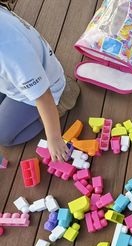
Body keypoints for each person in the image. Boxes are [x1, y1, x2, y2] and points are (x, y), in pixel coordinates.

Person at [0, 1, 80, 162]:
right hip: (17, 79)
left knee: (3, 137)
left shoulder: (8, 48)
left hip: (47, 90)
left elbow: (42, 94)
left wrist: (54, 139)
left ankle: (62, 101)